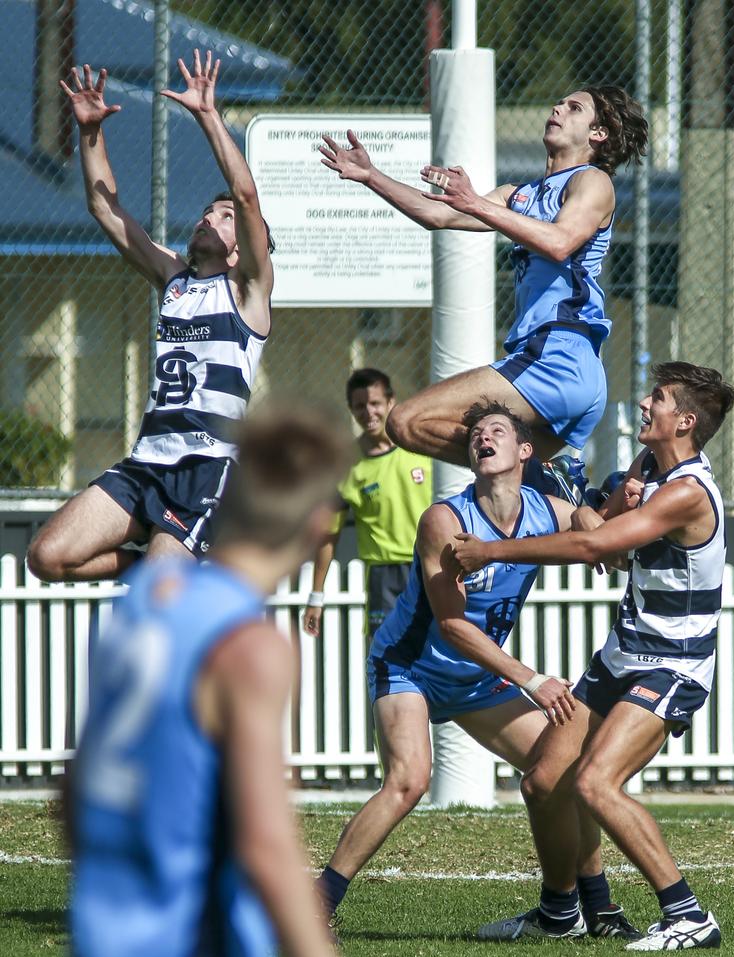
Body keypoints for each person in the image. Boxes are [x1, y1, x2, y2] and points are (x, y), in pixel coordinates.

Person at [67, 404, 368, 957]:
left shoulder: (147, 596)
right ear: (318, 524)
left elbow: (74, 790)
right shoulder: (251, 647)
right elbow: (267, 848)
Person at [316, 400, 639, 942]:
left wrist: (603, 506)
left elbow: (596, 534)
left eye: (497, 431)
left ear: (524, 451)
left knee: (560, 768)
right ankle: (317, 901)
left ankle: (588, 910)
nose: (483, 439)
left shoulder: (547, 510)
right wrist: (533, 680)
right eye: (475, 436)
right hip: (412, 667)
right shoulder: (445, 519)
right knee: (410, 780)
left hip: (476, 677)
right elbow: (452, 626)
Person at [453, 362, 734, 950]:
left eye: (656, 398)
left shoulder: (687, 490)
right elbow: (605, 534)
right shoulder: (647, 470)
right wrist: (610, 502)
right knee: (545, 781)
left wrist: (490, 550)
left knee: (596, 783)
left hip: (672, 663)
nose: (643, 403)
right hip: (621, 655)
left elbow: (594, 544)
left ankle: (687, 916)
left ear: (683, 421)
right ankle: (561, 914)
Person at [28, 49, 274, 582]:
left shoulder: (248, 293)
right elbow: (105, 211)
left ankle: (177, 575)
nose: (211, 217)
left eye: (224, 217)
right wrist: (91, 132)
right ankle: (168, 571)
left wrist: (208, 115)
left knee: (160, 612)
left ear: (243, 249)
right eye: (208, 212)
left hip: (205, 468)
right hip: (147, 461)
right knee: (47, 557)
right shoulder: (175, 279)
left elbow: (248, 195)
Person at [319, 87, 647, 468]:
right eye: (559, 102)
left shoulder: (591, 181)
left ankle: (530, 475)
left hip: (559, 356)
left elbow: (560, 243)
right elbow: (437, 215)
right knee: (517, 481)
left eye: (574, 108)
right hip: (553, 363)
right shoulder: (519, 195)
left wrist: (474, 201)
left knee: (406, 421)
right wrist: (371, 176)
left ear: (598, 134)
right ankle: (549, 486)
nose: (558, 107)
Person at [302, 368, 432, 641]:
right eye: (359, 406)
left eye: (374, 403)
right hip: (383, 576)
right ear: (351, 410)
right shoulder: (345, 465)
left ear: (390, 402)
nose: (368, 412)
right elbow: (328, 534)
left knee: (439, 650)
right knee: (386, 655)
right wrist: (316, 596)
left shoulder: (423, 448)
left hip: (430, 565)